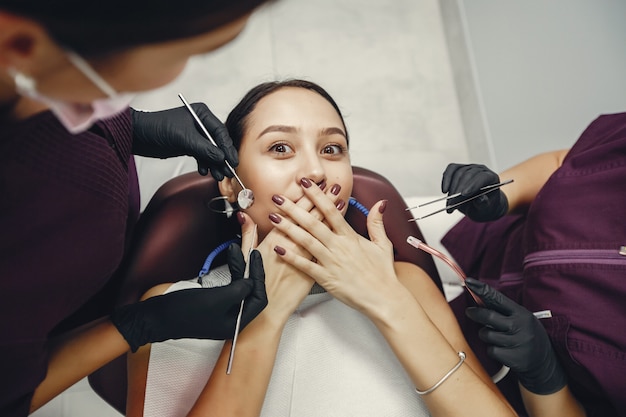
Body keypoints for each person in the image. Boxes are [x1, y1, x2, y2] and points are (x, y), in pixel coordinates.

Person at [126, 79, 517, 417]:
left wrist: (387, 300)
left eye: (332, 149)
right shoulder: (168, 309)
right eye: (280, 147)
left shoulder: (407, 284)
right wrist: (266, 314)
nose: (315, 171)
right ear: (229, 183)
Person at [0, 1, 273, 415]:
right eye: (184, 53)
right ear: (21, 45)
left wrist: (131, 128)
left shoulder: (44, 67)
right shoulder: (38, 213)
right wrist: (143, 323)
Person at [436, 112, 626, 417]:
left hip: (488, 371)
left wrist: (543, 376)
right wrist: (500, 195)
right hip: (491, 240)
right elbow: (564, 165)